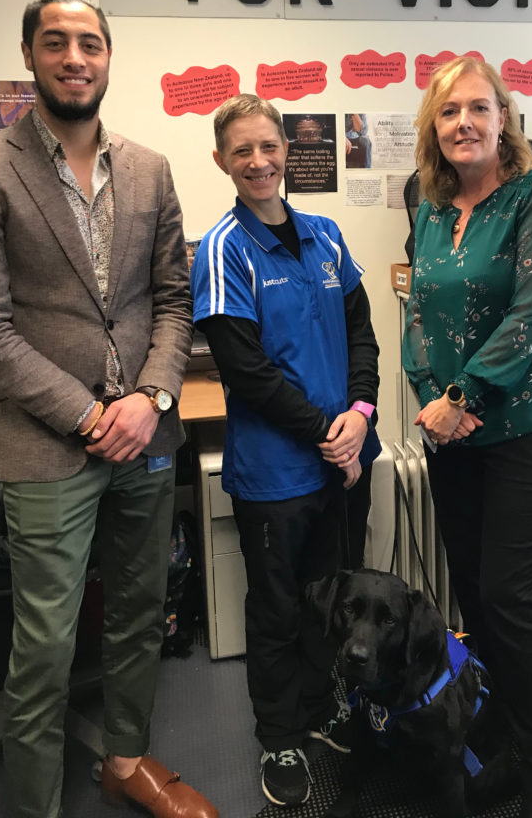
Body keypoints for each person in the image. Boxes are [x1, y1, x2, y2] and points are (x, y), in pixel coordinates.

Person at [0, 0, 219, 818]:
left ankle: (126, 760)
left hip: (146, 437)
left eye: (90, 44)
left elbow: (172, 301)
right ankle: (36, 805)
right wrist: (87, 413)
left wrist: (152, 396)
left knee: (140, 613)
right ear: (30, 55)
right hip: (47, 445)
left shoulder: (150, 168)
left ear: (108, 57)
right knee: (45, 644)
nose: (75, 58)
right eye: (57, 42)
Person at [402, 57, 532, 818]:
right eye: (449, 112)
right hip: (457, 435)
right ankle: (508, 750)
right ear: (434, 127)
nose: (464, 123)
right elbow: (418, 313)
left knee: (510, 600)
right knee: (477, 601)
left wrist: (463, 395)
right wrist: (431, 397)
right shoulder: (429, 208)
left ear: (503, 117)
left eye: (479, 107)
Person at [190, 94, 380, 807]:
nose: (258, 161)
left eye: (268, 146)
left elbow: (362, 335)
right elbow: (247, 371)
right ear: (222, 161)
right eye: (242, 150)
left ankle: (318, 708)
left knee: (332, 602)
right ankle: (279, 736)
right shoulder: (224, 249)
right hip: (278, 474)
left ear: (286, 151)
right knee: (276, 610)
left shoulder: (327, 236)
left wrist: (360, 414)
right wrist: (331, 436)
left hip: (347, 459)